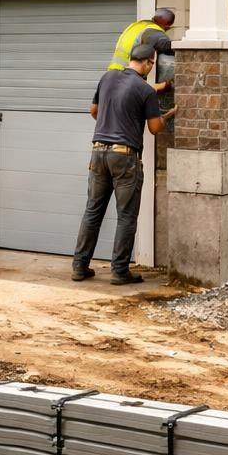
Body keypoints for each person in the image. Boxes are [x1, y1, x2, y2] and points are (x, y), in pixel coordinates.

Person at [71, 41, 177, 285]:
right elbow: (154, 128)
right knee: (126, 216)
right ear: (149, 63)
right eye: (152, 64)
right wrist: (169, 115)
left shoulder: (107, 78)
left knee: (92, 211)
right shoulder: (145, 90)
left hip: (98, 153)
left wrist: (113, 119)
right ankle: (119, 271)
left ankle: (79, 266)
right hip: (125, 158)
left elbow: (94, 111)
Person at [108, 9, 176, 94]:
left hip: (112, 75)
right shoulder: (154, 31)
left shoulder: (137, 26)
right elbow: (165, 46)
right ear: (167, 25)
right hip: (127, 77)